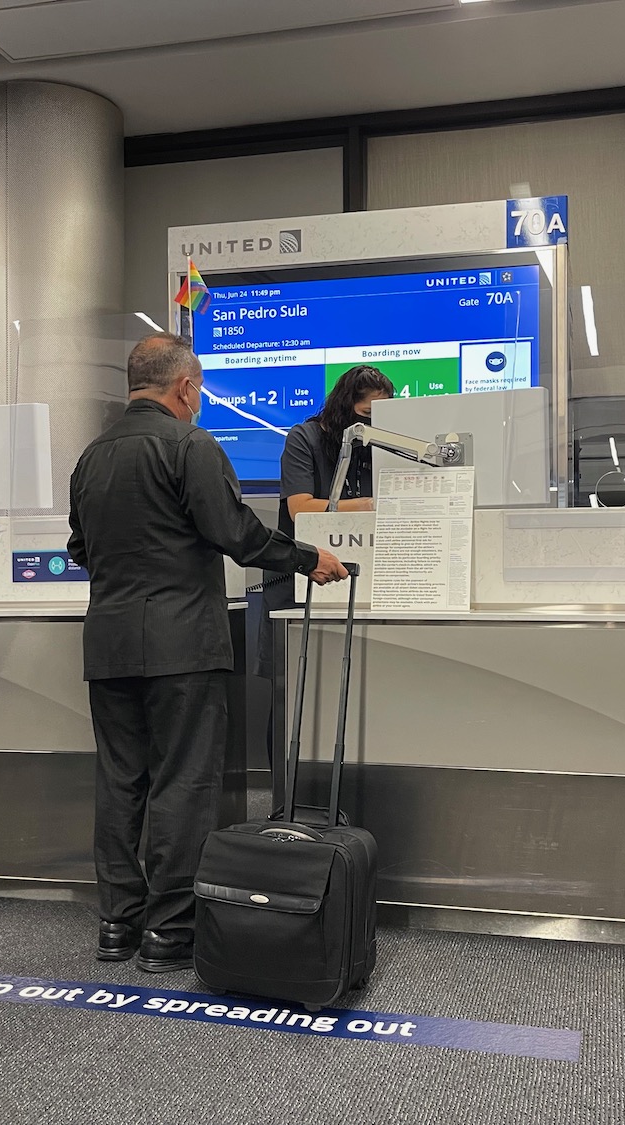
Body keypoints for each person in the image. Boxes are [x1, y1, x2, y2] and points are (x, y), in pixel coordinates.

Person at [66, 332, 348, 973]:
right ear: (185, 388)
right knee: (182, 783)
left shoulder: (91, 456)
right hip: (182, 644)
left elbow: (80, 548)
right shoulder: (191, 446)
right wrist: (308, 559)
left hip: (107, 640)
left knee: (119, 781)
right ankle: (168, 930)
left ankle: (117, 924)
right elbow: (238, 535)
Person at [257, 365, 395, 678]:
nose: (372, 423)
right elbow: (301, 508)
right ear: (344, 408)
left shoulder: (380, 445)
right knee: (294, 688)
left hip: (364, 585)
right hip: (301, 579)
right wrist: (365, 506)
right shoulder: (305, 439)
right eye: (366, 414)